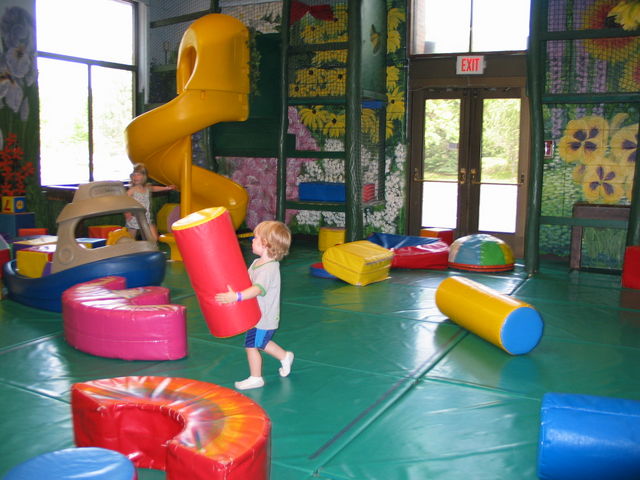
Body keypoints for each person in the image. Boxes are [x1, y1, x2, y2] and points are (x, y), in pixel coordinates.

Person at [215, 220, 294, 390]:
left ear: (266, 244)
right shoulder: (257, 263)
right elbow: (247, 281)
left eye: (255, 238)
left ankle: (256, 378)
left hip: (263, 319)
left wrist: (237, 296)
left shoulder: (269, 269)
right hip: (256, 315)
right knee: (262, 343)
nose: (252, 240)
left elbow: (257, 289)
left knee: (252, 345)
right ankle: (284, 356)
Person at [124, 163, 175, 241]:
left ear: (144, 176)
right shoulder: (132, 190)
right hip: (134, 218)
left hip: (146, 218)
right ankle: (129, 247)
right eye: (134, 175)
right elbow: (124, 201)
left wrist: (167, 188)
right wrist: (127, 213)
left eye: (138, 175)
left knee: (154, 238)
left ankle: (150, 246)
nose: (135, 177)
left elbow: (154, 188)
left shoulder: (147, 187)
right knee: (130, 239)